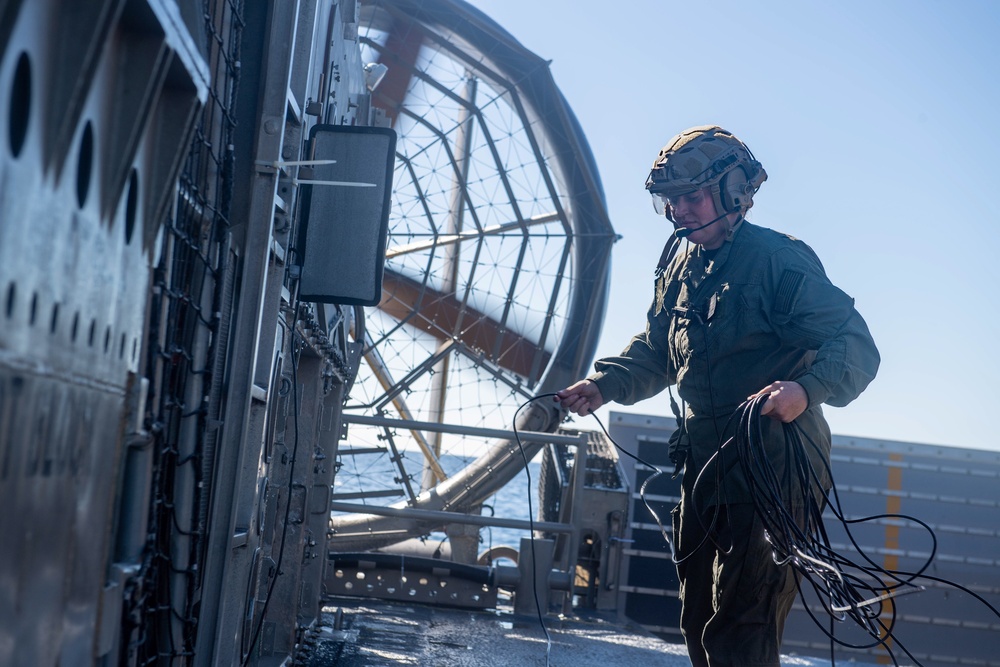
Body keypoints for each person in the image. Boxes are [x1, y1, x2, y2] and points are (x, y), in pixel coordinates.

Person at [555, 125, 880, 667]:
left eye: (691, 197)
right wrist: (604, 384)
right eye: (670, 201)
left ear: (733, 192)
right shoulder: (680, 265)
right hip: (705, 461)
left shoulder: (779, 261)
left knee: (743, 624)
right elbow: (659, 347)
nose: (677, 211)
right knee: (699, 616)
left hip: (774, 464)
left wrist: (805, 389)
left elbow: (855, 345)